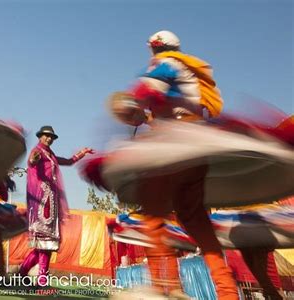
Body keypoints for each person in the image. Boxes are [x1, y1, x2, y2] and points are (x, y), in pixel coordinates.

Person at [109, 30, 238, 299]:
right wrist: (144, 118)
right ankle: (227, 293)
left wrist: (127, 110)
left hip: (172, 148)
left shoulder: (163, 64)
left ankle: (163, 288)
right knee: (195, 220)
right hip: (197, 149)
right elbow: (175, 109)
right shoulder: (191, 74)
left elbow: (145, 93)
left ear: (154, 48)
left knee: (153, 216)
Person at [18, 126, 93, 286]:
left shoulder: (50, 154)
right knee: (45, 244)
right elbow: (32, 163)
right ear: (40, 136)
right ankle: (41, 282)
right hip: (42, 203)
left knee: (43, 246)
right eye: (46, 136)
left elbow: (68, 161)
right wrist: (33, 160)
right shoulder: (37, 151)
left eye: (51, 137)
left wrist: (82, 153)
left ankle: (22, 273)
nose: (49, 139)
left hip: (51, 203)